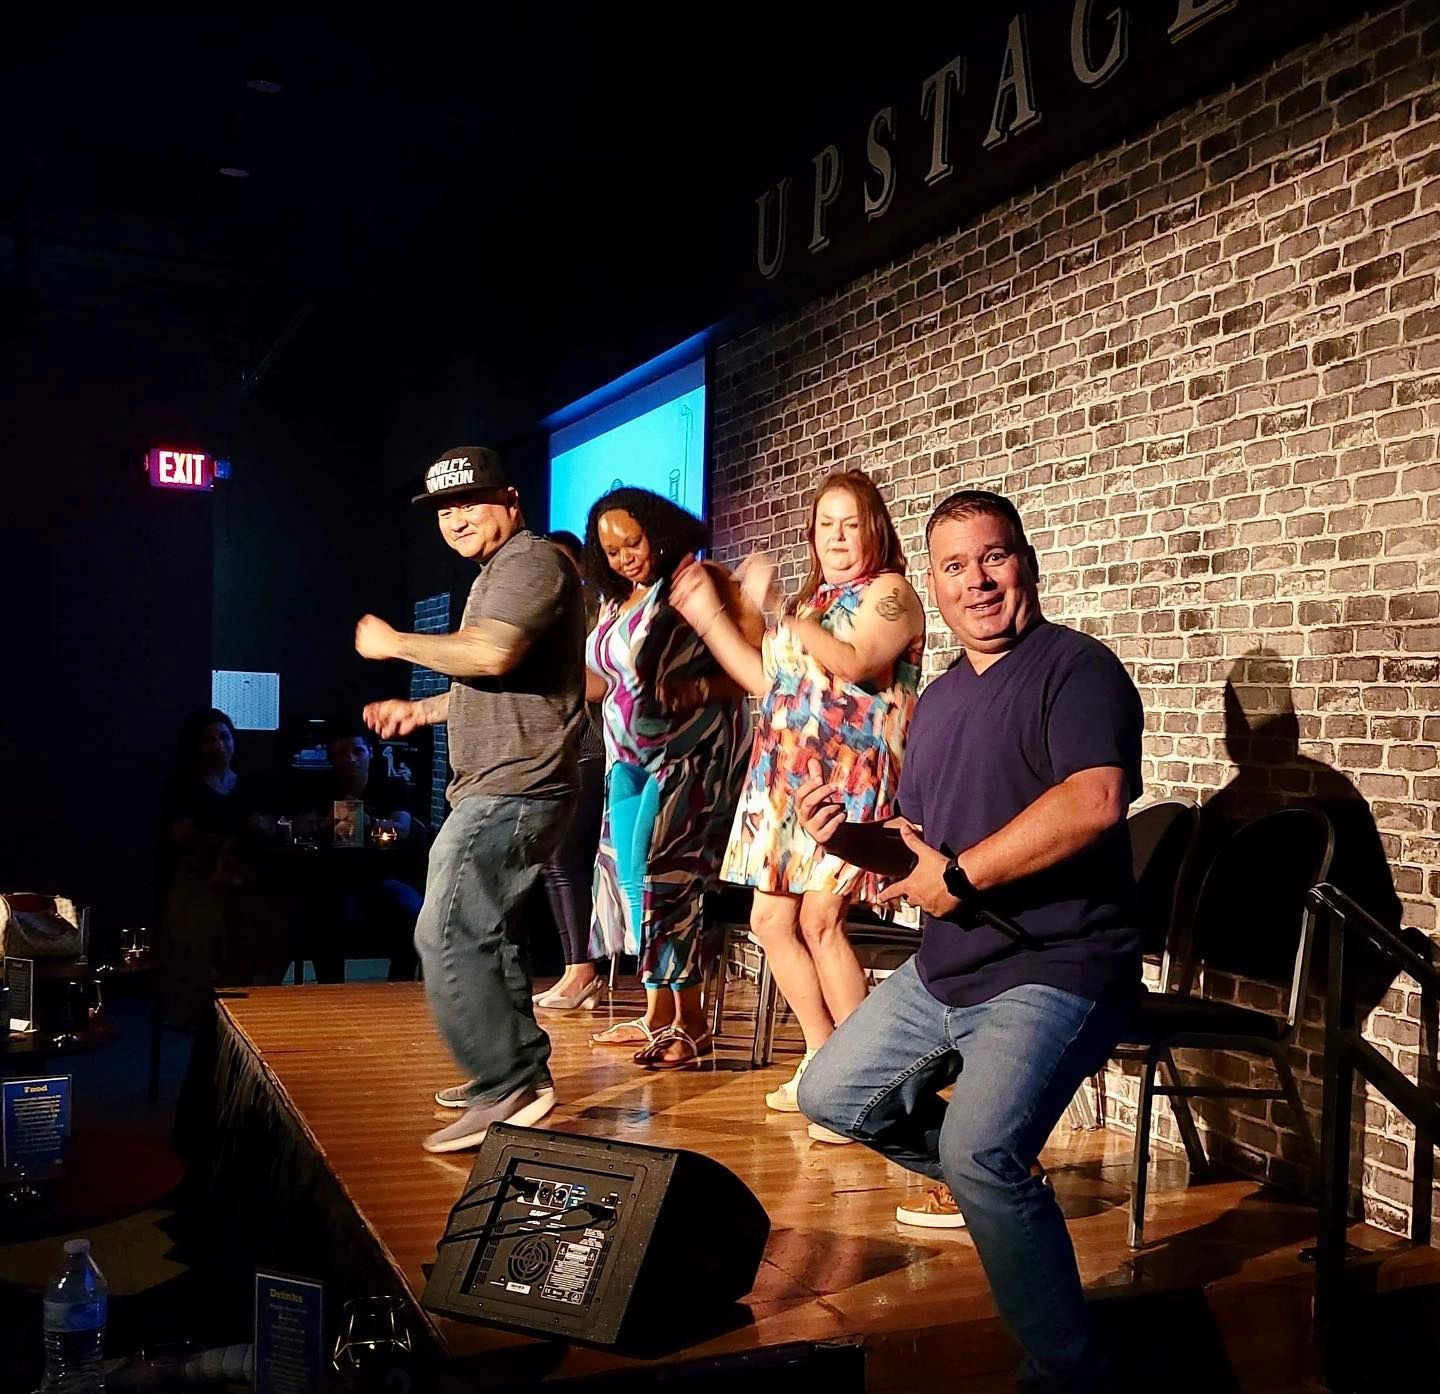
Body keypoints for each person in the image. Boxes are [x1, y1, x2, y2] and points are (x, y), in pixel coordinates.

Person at [794, 488, 1143, 1394]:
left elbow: (1095, 801)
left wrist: (959, 878)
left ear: (1026, 559)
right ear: (935, 588)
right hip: (947, 969)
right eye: (955, 567)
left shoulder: (1077, 669)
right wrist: (846, 838)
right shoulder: (941, 699)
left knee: (978, 1154)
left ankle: (1071, 1373)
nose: (978, 581)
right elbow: (919, 848)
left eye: (994, 557)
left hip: (1055, 965)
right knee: (830, 1093)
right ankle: (1004, 1200)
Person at [669, 470, 924, 1136]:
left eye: (851, 524)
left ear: (875, 529)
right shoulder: (814, 599)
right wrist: (711, 617)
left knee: (820, 921)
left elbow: (857, 660)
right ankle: (821, 1059)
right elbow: (767, 680)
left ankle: (865, 1087)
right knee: (771, 922)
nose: (837, 537)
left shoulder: (890, 592)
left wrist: (783, 610)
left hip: (848, 783)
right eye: (826, 525)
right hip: (782, 780)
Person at [355, 445, 585, 1153]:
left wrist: (395, 643)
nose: (455, 518)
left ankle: (505, 1084)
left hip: (513, 785)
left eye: (469, 502)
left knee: (446, 930)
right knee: (493, 935)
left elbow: (490, 655)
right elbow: (492, 677)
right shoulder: (499, 573)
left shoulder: (531, 563)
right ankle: (517, 1074)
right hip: (505, 782)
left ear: (511, 499)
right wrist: (420, 713)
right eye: (443, 510)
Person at [582, 488, 753, 1068]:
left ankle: (695, 1022)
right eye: (610, 550)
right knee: (633, 882)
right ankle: (658, 1011)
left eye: (633, 541)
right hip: (625, 757)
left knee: (665, 880)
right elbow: (605, 681)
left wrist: (696, 690)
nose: (625, 556)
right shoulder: (617, 603)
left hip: (685, 758)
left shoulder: (696, 583)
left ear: (658, 528)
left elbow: (751, 669)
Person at [154, 708, 288, 1025]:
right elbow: (180, 834)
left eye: (224, 737)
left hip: (246, 876)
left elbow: (272, 824)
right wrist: (228, 842)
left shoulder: (249, 784)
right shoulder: (183, 786)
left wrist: (266, 827)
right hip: (198, 876)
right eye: (208, 740)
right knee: (201, 934)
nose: (218, 745)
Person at [532, 530, 607, 1011]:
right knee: (553, 865)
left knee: (566, 864)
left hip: (590, 748)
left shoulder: (593, 618)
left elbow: (603, 686)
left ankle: (583, 970)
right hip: (554, 752)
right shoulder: (547, 621)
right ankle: (572, 968)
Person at [290, 725, 430, 983]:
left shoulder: (390, 787)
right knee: (321, 914)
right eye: (342, 754)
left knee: (415, 912)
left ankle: (397, 988)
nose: (351, 759)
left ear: (370, 753)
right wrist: (322, 825)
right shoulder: (318, 788)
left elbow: (402, 829)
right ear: (332, 758)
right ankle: (331, 991)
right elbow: (299, 828)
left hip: (382, 876)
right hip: (331, 878)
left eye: (357, 751)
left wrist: (369, 822)